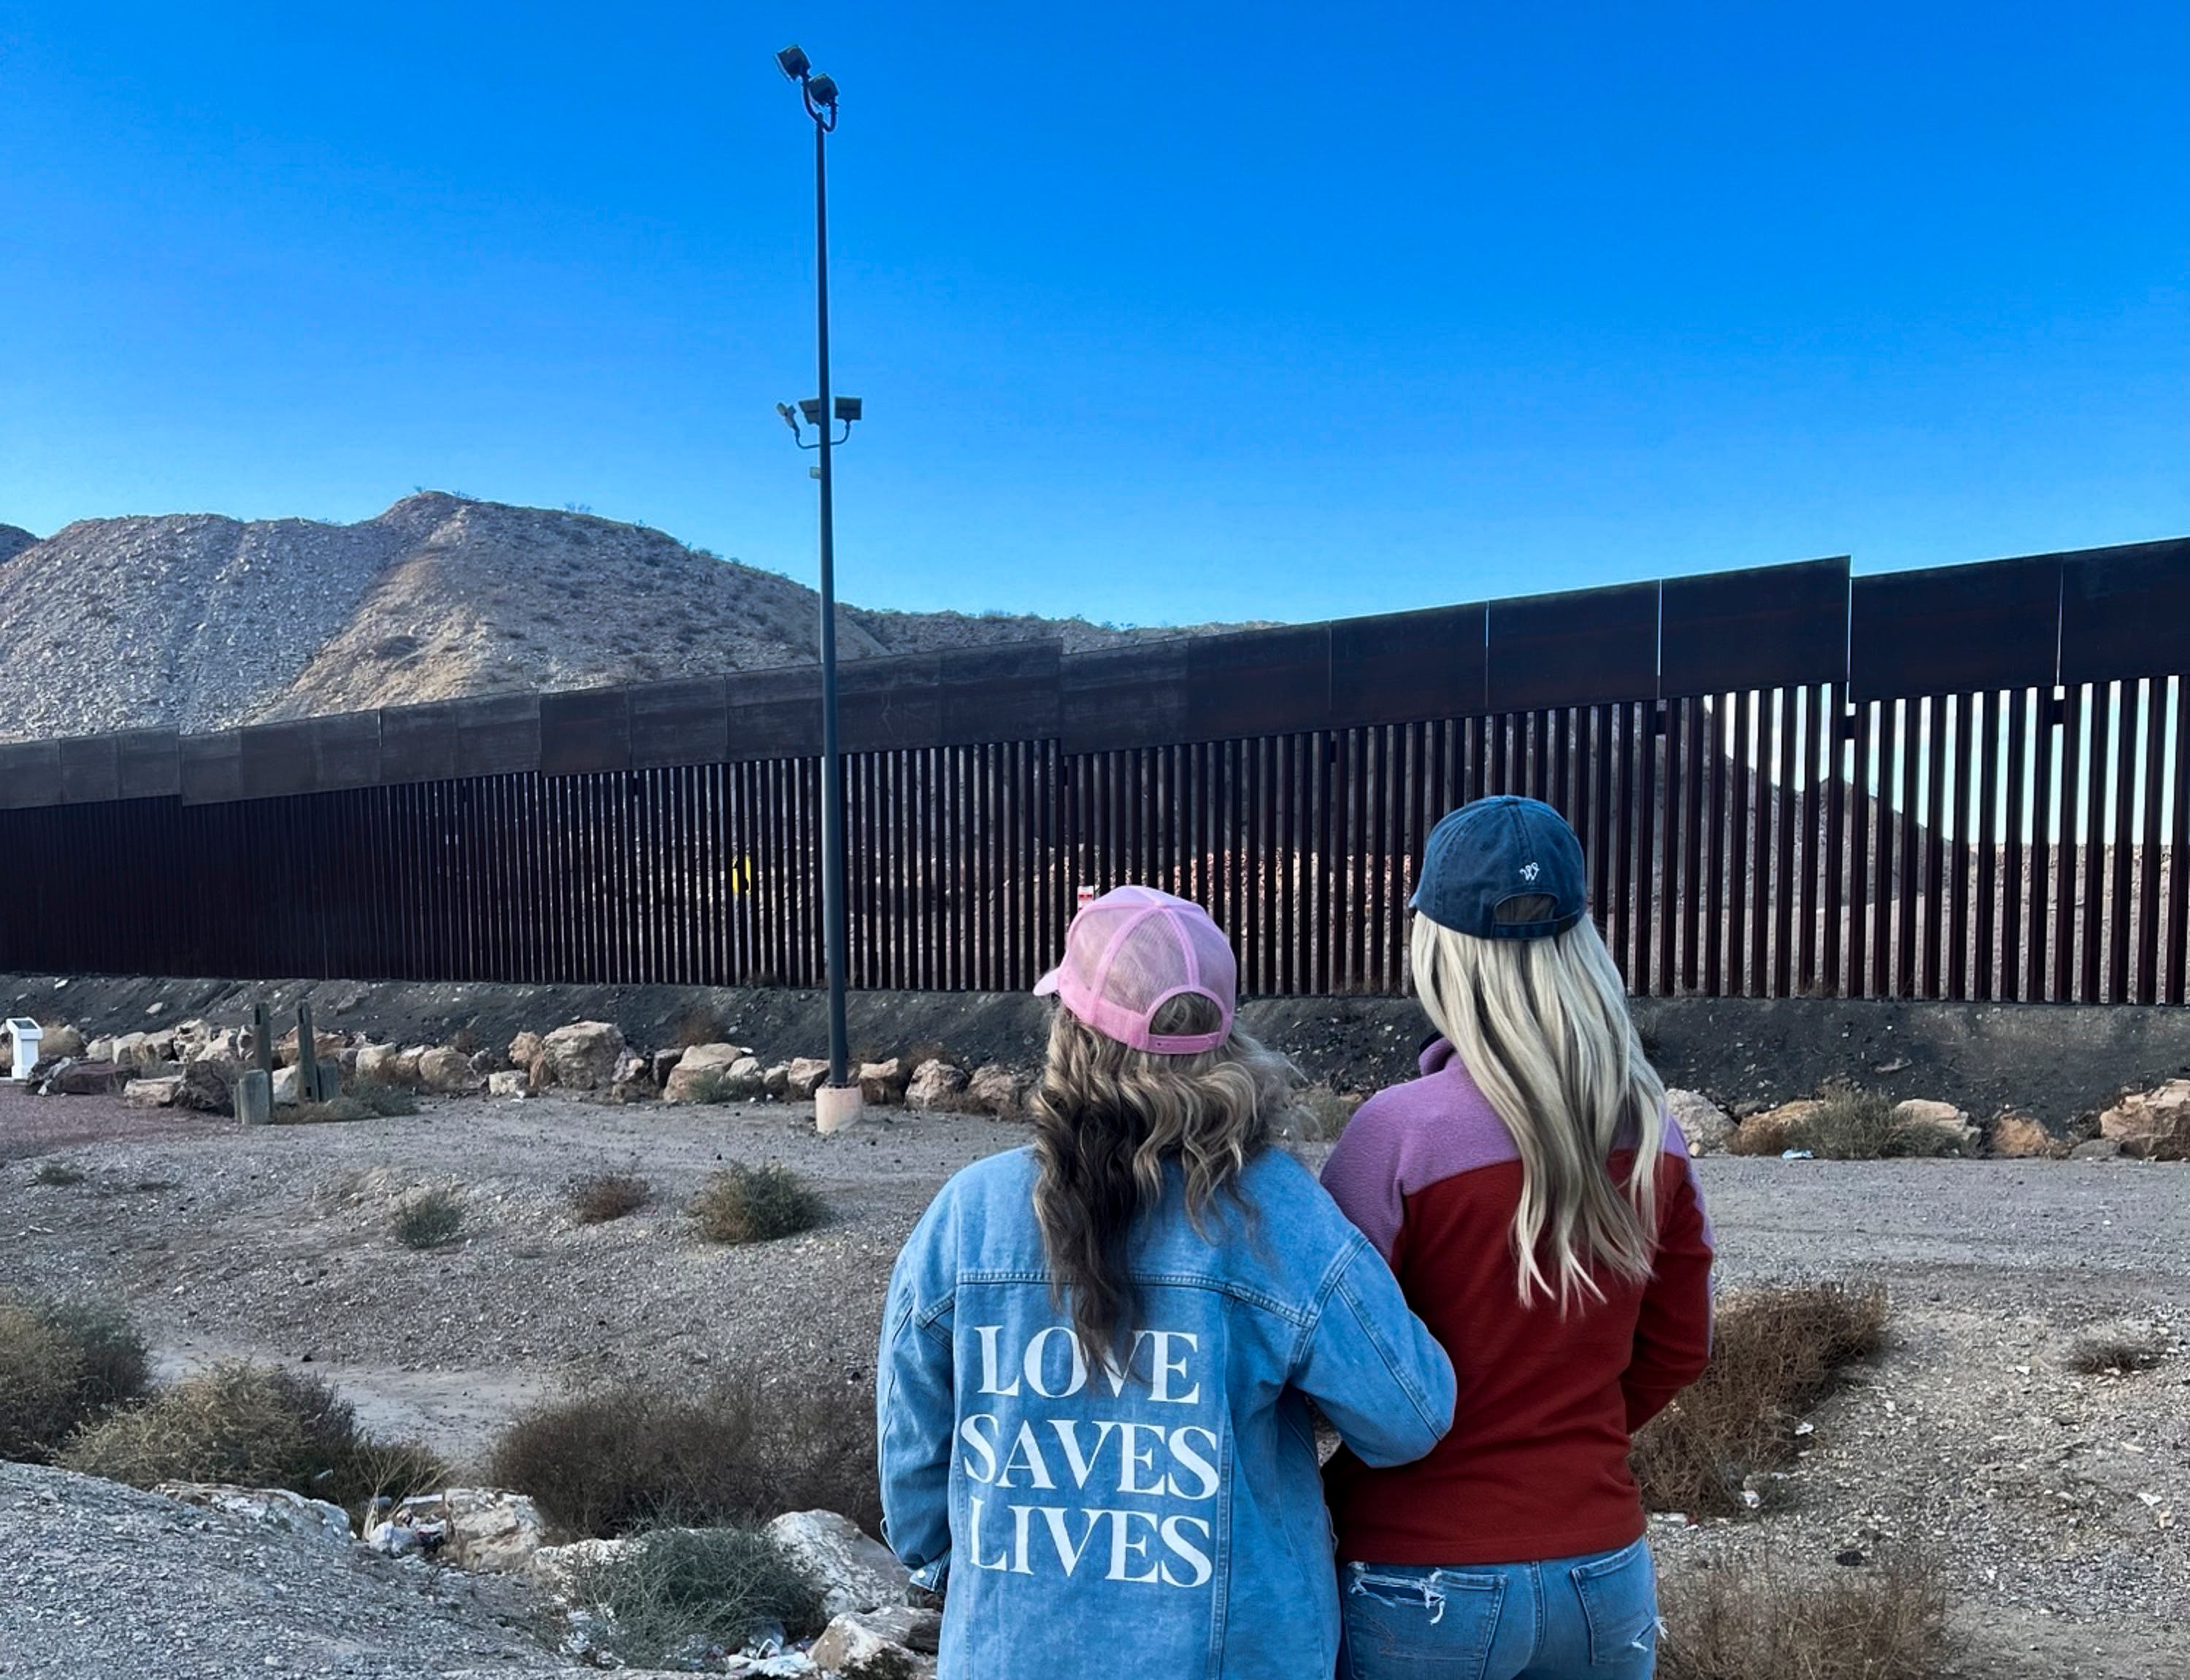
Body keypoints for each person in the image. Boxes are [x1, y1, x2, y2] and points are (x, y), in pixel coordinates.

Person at [877, 885, 1456, 1680]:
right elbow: (1408, 1415)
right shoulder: (1278, 1213)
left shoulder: (966, 1216)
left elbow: (914, 1481)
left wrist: (965, 1571)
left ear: (1069, 1029)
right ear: (1226, 1044)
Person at [1321, 796, 1715, 1680]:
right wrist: (1564, 1439)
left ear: (1439, 946)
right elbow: (1680, 1347)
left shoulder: (1396, 1136)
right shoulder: (1651, 1129)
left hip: (1417, 1570)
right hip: (1601, 1572)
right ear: (1583, 943)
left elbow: (1328, 1362)